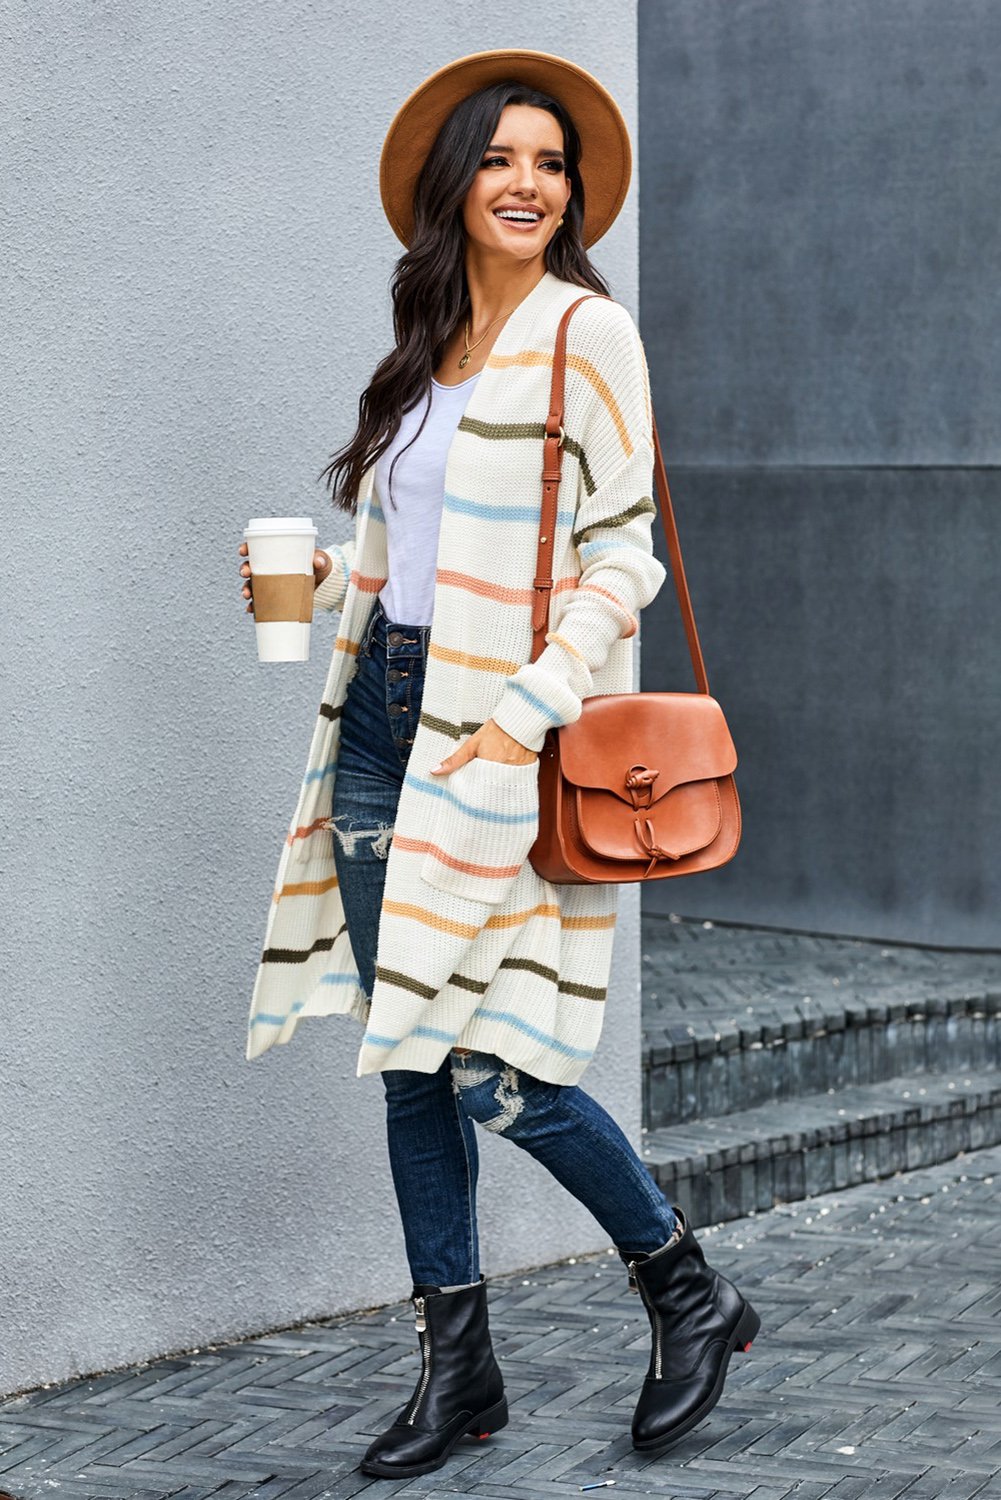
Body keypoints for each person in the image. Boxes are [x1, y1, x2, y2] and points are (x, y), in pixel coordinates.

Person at [237, 48, 759, 1481]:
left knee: (489, 1062)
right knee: (407, 1063)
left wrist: (524, 708)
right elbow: (424, 557)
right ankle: (459, 1374)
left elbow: (621, 553)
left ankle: (684, 1287)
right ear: (452, 184)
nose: (527, 183)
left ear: (569, 192)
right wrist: (338, 573)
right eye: (500, 159)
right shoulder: (426, 344)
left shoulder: (587, 333)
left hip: (495, 735)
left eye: (550, 163)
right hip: (377, 721)